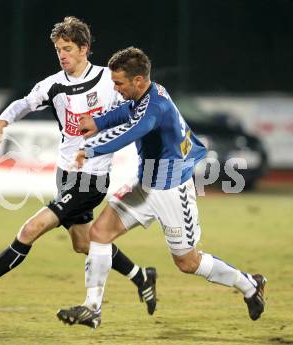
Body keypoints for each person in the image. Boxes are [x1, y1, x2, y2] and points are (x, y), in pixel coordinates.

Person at [0, 17, 157, 317]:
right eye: (57, 50)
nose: (62, 55)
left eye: (67, 48)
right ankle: (140, 276)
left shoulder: (109, 80)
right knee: (84, 242)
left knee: (31, 228)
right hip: (65, 175)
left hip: (91, 179)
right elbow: (23, 104)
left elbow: (137, 103)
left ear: (84, 48)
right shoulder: (53, 85)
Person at [57, 47, 266, 329]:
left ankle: (250, 285)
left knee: (187, 262)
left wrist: (92, 148)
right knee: (99, 233)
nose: (116, 89)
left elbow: (132, 130)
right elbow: (126, 112)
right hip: (145, 181)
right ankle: (92, 307)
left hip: (172, 189)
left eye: (119, 83)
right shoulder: (145, 94)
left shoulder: (155, 106)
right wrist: (98, 122)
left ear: (139, 80)